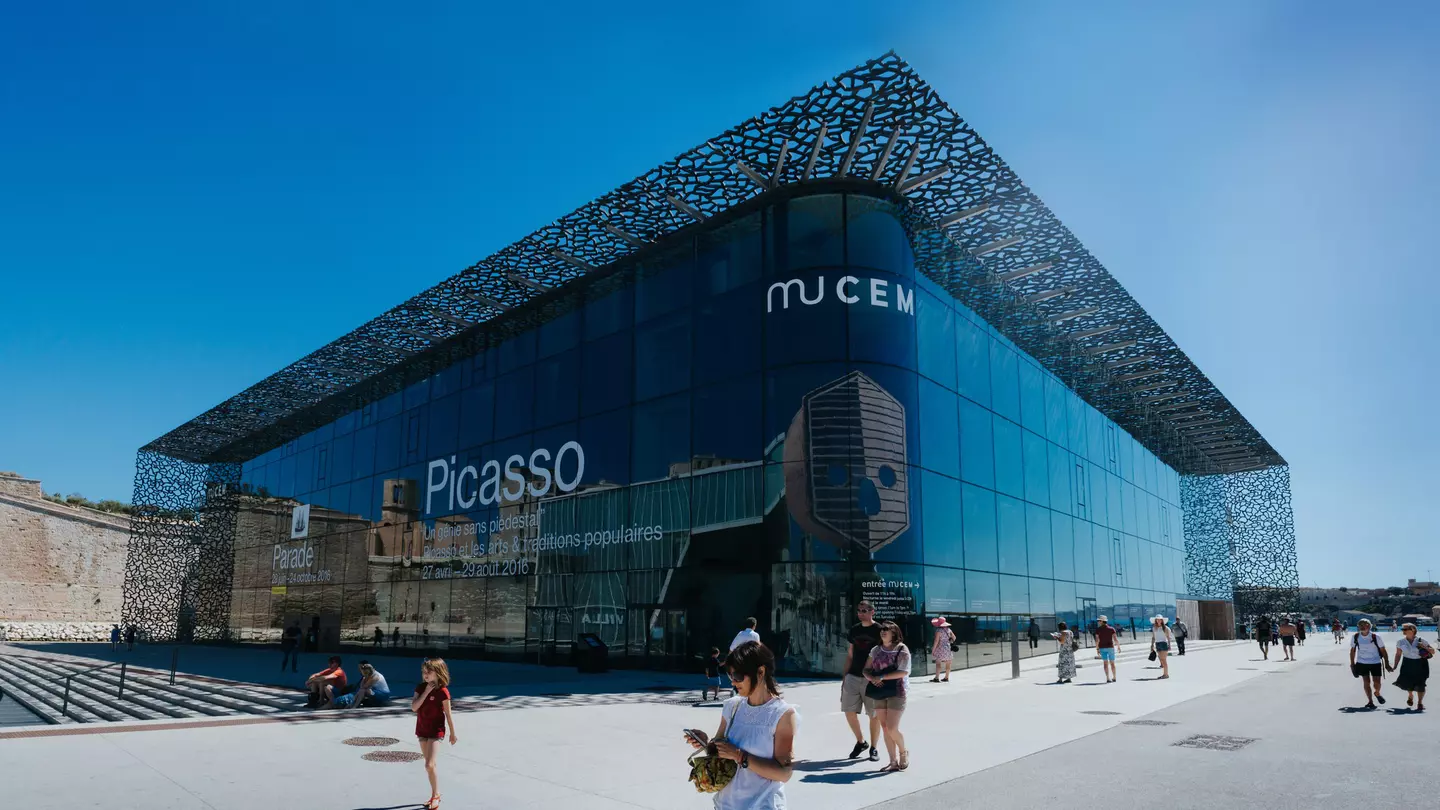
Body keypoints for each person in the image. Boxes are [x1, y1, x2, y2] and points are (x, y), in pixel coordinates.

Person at [683, 641, 796, 808]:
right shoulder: (732, 706)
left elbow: (784, 773)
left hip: (761, 805)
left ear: (760, 672)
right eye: (730, 676)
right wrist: (705, 743)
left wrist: (740, 756)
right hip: (725, 805)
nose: (733, 683)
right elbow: (720, 752)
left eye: (737, 677)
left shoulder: (782, 714)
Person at [863, 621, 911, 772]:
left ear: (894, 633)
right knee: (884, 727)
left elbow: (904, 672)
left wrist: (882, 676)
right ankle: (893, 761)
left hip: (897, 691)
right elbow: (866, 669)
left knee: (892, 727)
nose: (883, 632)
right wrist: (871, 678)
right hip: (879, 692)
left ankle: (903, 752)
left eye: (887, 630)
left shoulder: (902, 649)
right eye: (882, 630)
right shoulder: (876, 650)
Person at [412, 658, 458, 810]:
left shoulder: (443, 691)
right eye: (423, 672)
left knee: (429, 764)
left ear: (438, 673)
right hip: (422, 729)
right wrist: (426, 692)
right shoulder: (420, 688)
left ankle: (436, 795)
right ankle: (434, 794)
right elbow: (414, 707)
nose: (425, 675)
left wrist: (452, 732)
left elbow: (448, 714)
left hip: (436, 731)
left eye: (429, 672)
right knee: (430, 766)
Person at [841, 601, 883, 763]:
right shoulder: (854, 629)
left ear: (873, 611)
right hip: (853, 676)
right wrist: (844, 677)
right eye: (859, 610)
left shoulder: (879, 630)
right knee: (848, 711)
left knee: (873, 714)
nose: (861, 613)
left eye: (864, 610)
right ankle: (861, 742)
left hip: (871, 678)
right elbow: (850, 655)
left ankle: (874, 747)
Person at [1391, 623, 1432, 711]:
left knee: (1421, 684)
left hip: (1421, 663)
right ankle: (1410, 695)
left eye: (1405, 629)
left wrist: (1424, 646)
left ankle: (1420, 703)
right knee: (1408, 683)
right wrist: (1395, 666)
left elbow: (1432, 651)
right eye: (1402, 629)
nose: (1403, 631)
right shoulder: (1400, 642)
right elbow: (1398, 654)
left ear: (1412, 630)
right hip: (1407, 663)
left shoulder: (1421, 640)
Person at [1350, 619, 1389, 710]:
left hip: (1375, 662)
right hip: (1362, 662)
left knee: (1377, 683)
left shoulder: (1376, 637)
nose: (1363, 627)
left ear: (1369, 626)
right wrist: (1352, 664)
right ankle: (1370, 701)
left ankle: (1377, 693)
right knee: (1366, 682)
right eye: (1360, 625)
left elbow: (1383, 650)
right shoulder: (1356, 637)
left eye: (1365, 625)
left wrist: (1386, 663)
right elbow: (1352, 651)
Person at [1095, 615, 1121, 683]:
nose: (1098, 622)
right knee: (1112, 663)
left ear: (1102, 621)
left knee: (1105, 663)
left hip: (1102, 648)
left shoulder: (1098, 629)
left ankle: (1107, 678)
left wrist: (1097, 649)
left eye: (1099, 621)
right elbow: (1115, 639)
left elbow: (1097, 640)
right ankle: (1114, 677)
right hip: (1110, 647)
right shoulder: (1111, 629)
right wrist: (1118, 646)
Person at [930, 617, 956, 683]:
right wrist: (949, 641)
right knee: (948, 663)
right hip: (948, 648)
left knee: (938, 663)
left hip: (940, 648)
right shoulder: (949, 629)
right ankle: (946, 677)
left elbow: (936, 641)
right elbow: (954, 638)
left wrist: (933, 650)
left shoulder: (938, 630)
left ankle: (937, 678)